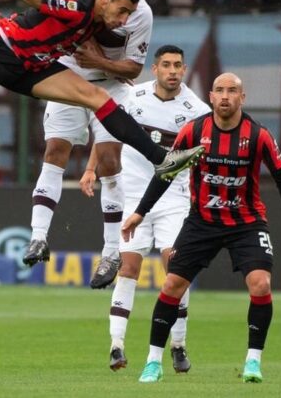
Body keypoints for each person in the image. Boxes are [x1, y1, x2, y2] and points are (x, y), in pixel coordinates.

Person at [0, 0, 204, 197]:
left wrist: (111, 66)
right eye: (122, 11)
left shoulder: (97, 19)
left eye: (129, 14)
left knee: (98, 98)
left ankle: (163, 160)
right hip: (1, 52)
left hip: (34, 67)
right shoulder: (73, 5)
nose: (124, 20)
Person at [123, 72, 281, 384]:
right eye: (219, 91)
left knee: (260, 285)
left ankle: (253, 362)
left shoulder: (258, 136)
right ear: (211, 97)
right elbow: (167, 172)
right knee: (172, 285)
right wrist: (139, 212)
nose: (225, 96)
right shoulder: (194, 131)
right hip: (202, 222)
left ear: (242, 98)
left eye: (232, 91)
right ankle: (152, 362)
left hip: (246, 222)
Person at [24, 0, 153, 289]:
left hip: (110, 86)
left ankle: (111, 252)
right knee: (55, 150)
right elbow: (48, 10)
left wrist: (99, 60)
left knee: (110, 161)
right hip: (68, 78)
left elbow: (134, 69)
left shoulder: (142, 15)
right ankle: (38, 237)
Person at [78, 45, 211, 371]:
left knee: (175, 269)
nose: (172, 71)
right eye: (166, 65)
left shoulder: (197, 109)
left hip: (174, 199)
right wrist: (92, 167)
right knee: (128, 269)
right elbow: (107, 132)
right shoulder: (131, 97)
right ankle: (116, 346)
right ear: (155, 69)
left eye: (177, 65)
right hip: (132, 196)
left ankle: (178, 345)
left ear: (184, 69)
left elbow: (201, 158)